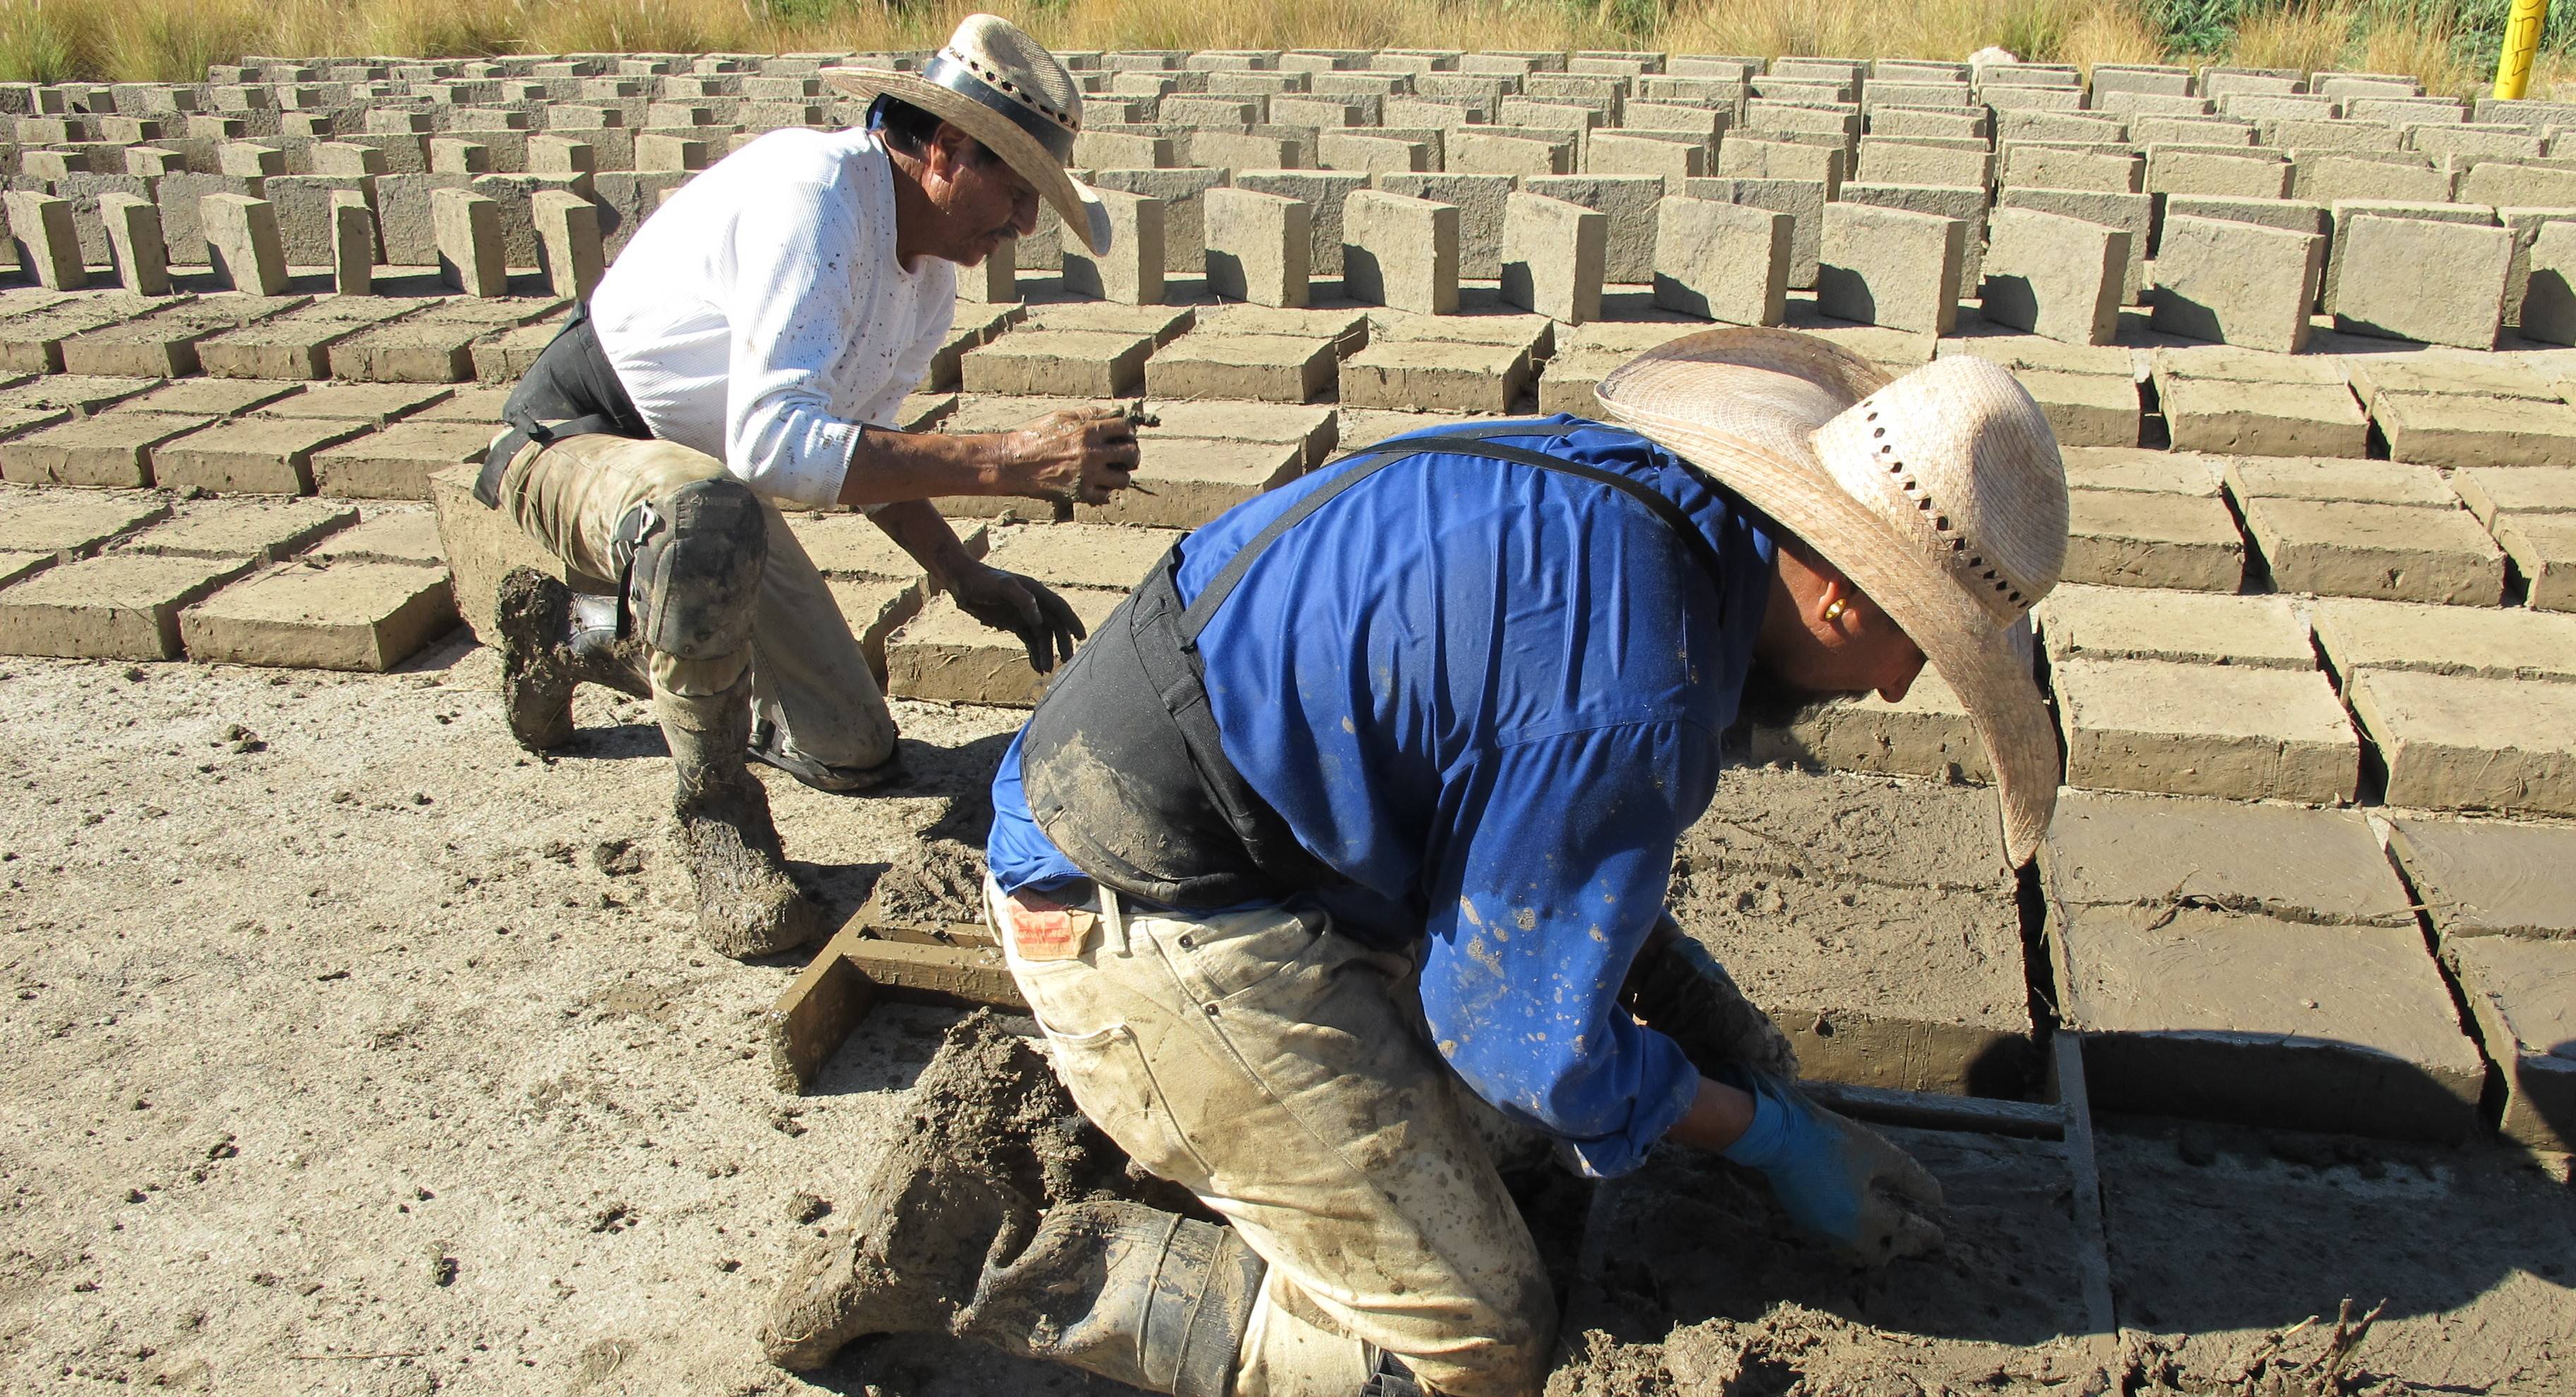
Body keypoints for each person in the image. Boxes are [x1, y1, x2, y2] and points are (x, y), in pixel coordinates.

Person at [762, 330, 2074, 1396]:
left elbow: (1517, 805)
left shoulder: (1634, 502)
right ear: (1842, 593)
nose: (1903, 691)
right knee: (1478, 1342)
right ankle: (991, 1246)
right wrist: (1767, 1134)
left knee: (1527, 1142)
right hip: (1136, 902)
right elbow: (1516, 1030)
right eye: (1923, 649)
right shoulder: (1640, 686)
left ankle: (1148, 1120)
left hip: (1216, 824)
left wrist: (1679, 1000)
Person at [475, 15, 1139, 959]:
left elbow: (857, 450)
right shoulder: (814, 194)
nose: (1028, 223)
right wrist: (1011, 463)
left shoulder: (928, 276)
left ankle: (572, 632)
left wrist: (964, 577)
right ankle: (719, 822)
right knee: (704, 518)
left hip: (706, 490)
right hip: (582, 443)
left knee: (853, 748)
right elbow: (779, 445)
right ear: (948, 149)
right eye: (1020, 189)